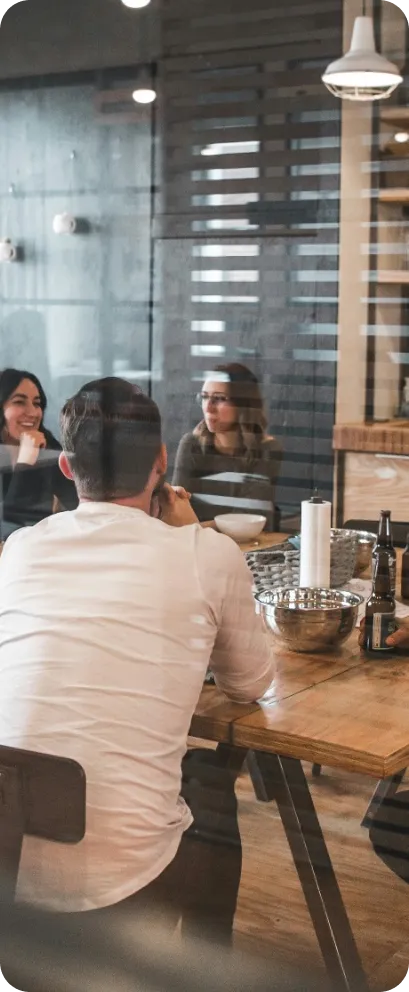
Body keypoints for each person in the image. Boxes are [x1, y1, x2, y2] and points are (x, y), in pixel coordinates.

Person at [0, 376, 274, 936]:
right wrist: (194, 533)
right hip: (119, 881)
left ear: (68, 468)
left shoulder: (21, 549)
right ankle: (203, 965)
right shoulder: (206, 553)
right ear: (162, 462)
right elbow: (250, 684)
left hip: (8, 863)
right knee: (212, 789)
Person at [172, 363, 282, 529]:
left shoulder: (267, 450)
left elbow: (248, 521)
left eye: (219, 398)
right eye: (204, 397)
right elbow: (175, 512)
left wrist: (196, 527)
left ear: (243, 404)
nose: (208, 407)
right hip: (199, 545)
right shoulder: (192, 445)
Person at [0, 367, 78, 538]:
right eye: (19, 402)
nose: (33, 413)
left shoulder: (46, 444)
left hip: (38, 552)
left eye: (37, 403)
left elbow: (79, 503)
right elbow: (9, 527)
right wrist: (26, 462)